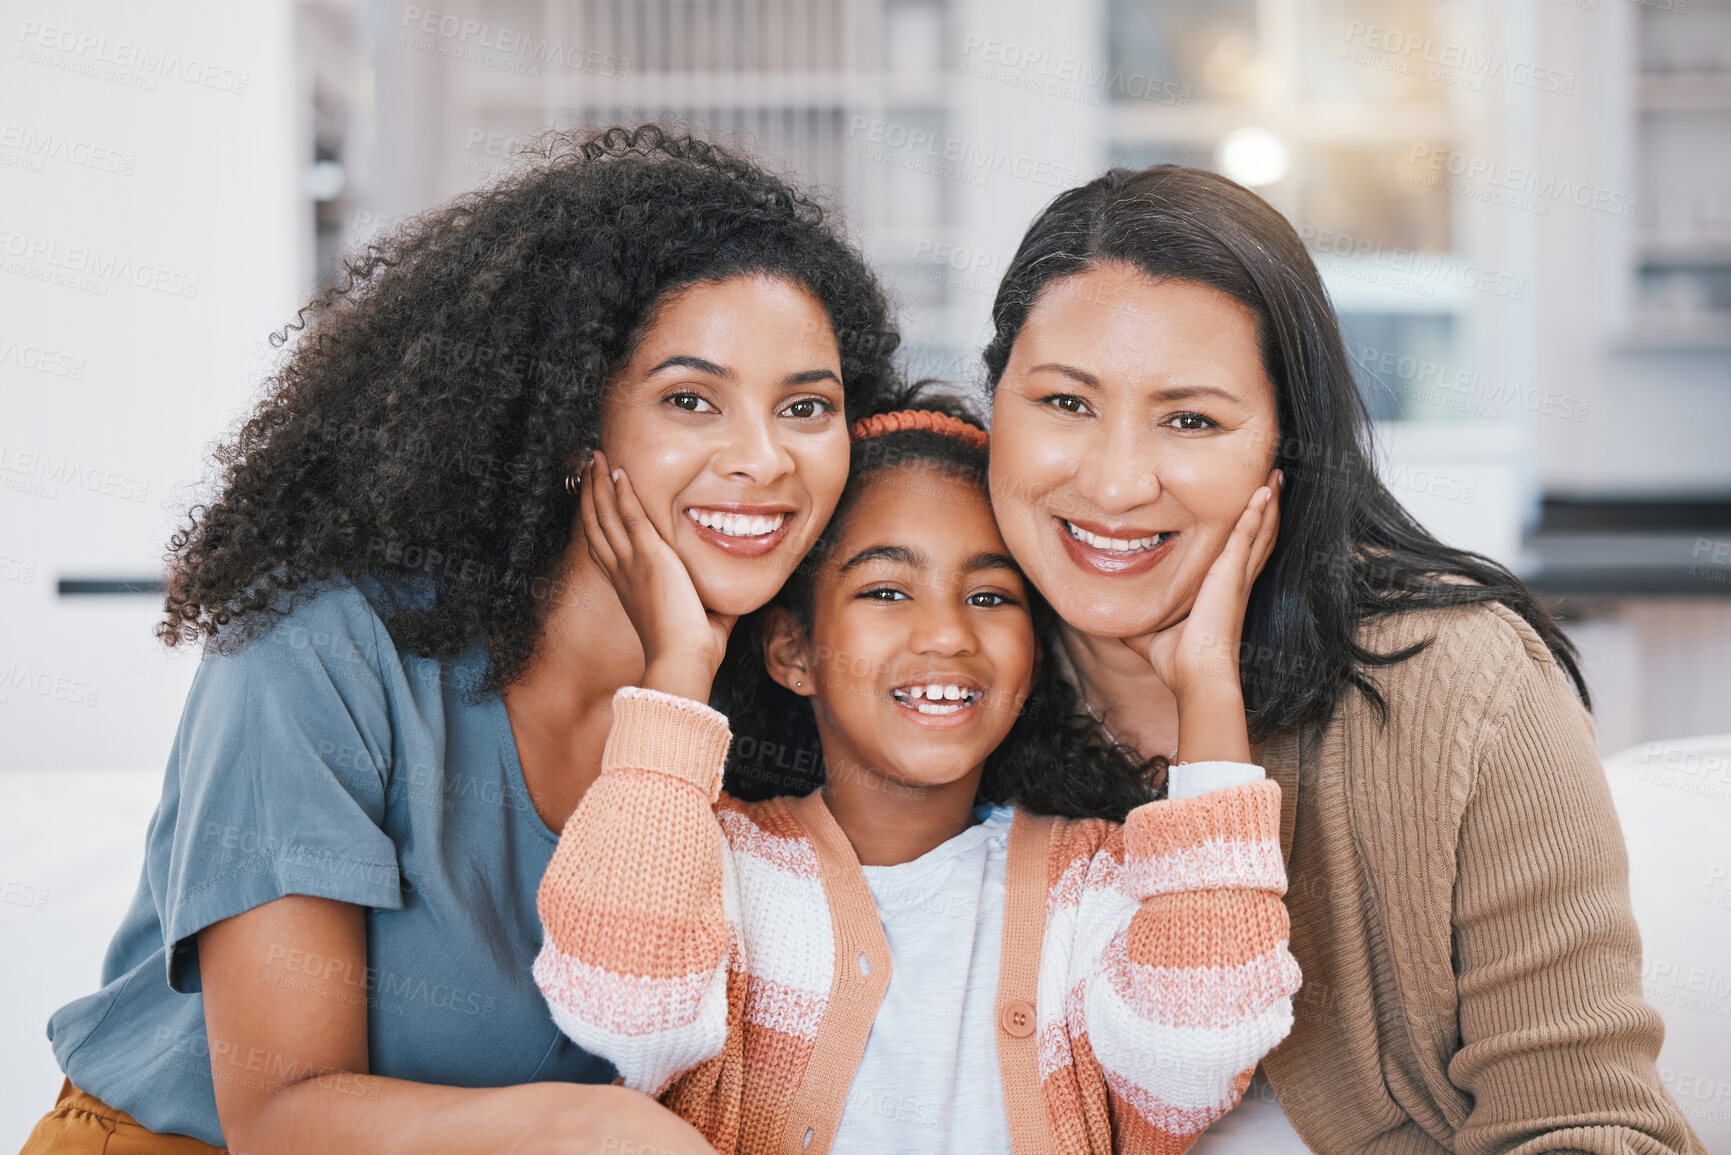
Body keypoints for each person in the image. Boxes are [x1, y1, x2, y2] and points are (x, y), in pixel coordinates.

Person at [22, 125, 902, 1155]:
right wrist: (594, 1125)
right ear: (575, 420)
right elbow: (280, 1111)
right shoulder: (323, 644)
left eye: (807, 407)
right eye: (689, 400)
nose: (764, 459)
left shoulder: (777, 692)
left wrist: (677, 683)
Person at [981, 164, 1705, 1153]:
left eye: (1191, 419)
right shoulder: (930, 680)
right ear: (995, 408)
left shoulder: (1467, 687)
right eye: (1065, 403)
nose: (1114, 481)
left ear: (1289, 444)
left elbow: (1585, 1123)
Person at [531, 400, 1301, 1154]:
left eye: (990, 596)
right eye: (886, 591)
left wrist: (1206, 682)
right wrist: (677, 667)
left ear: (1032, 653)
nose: (945, 632)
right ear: (793, 650)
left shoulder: (1095, 881)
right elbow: (620, 1004)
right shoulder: (716, 861)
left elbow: (1202, 1047)